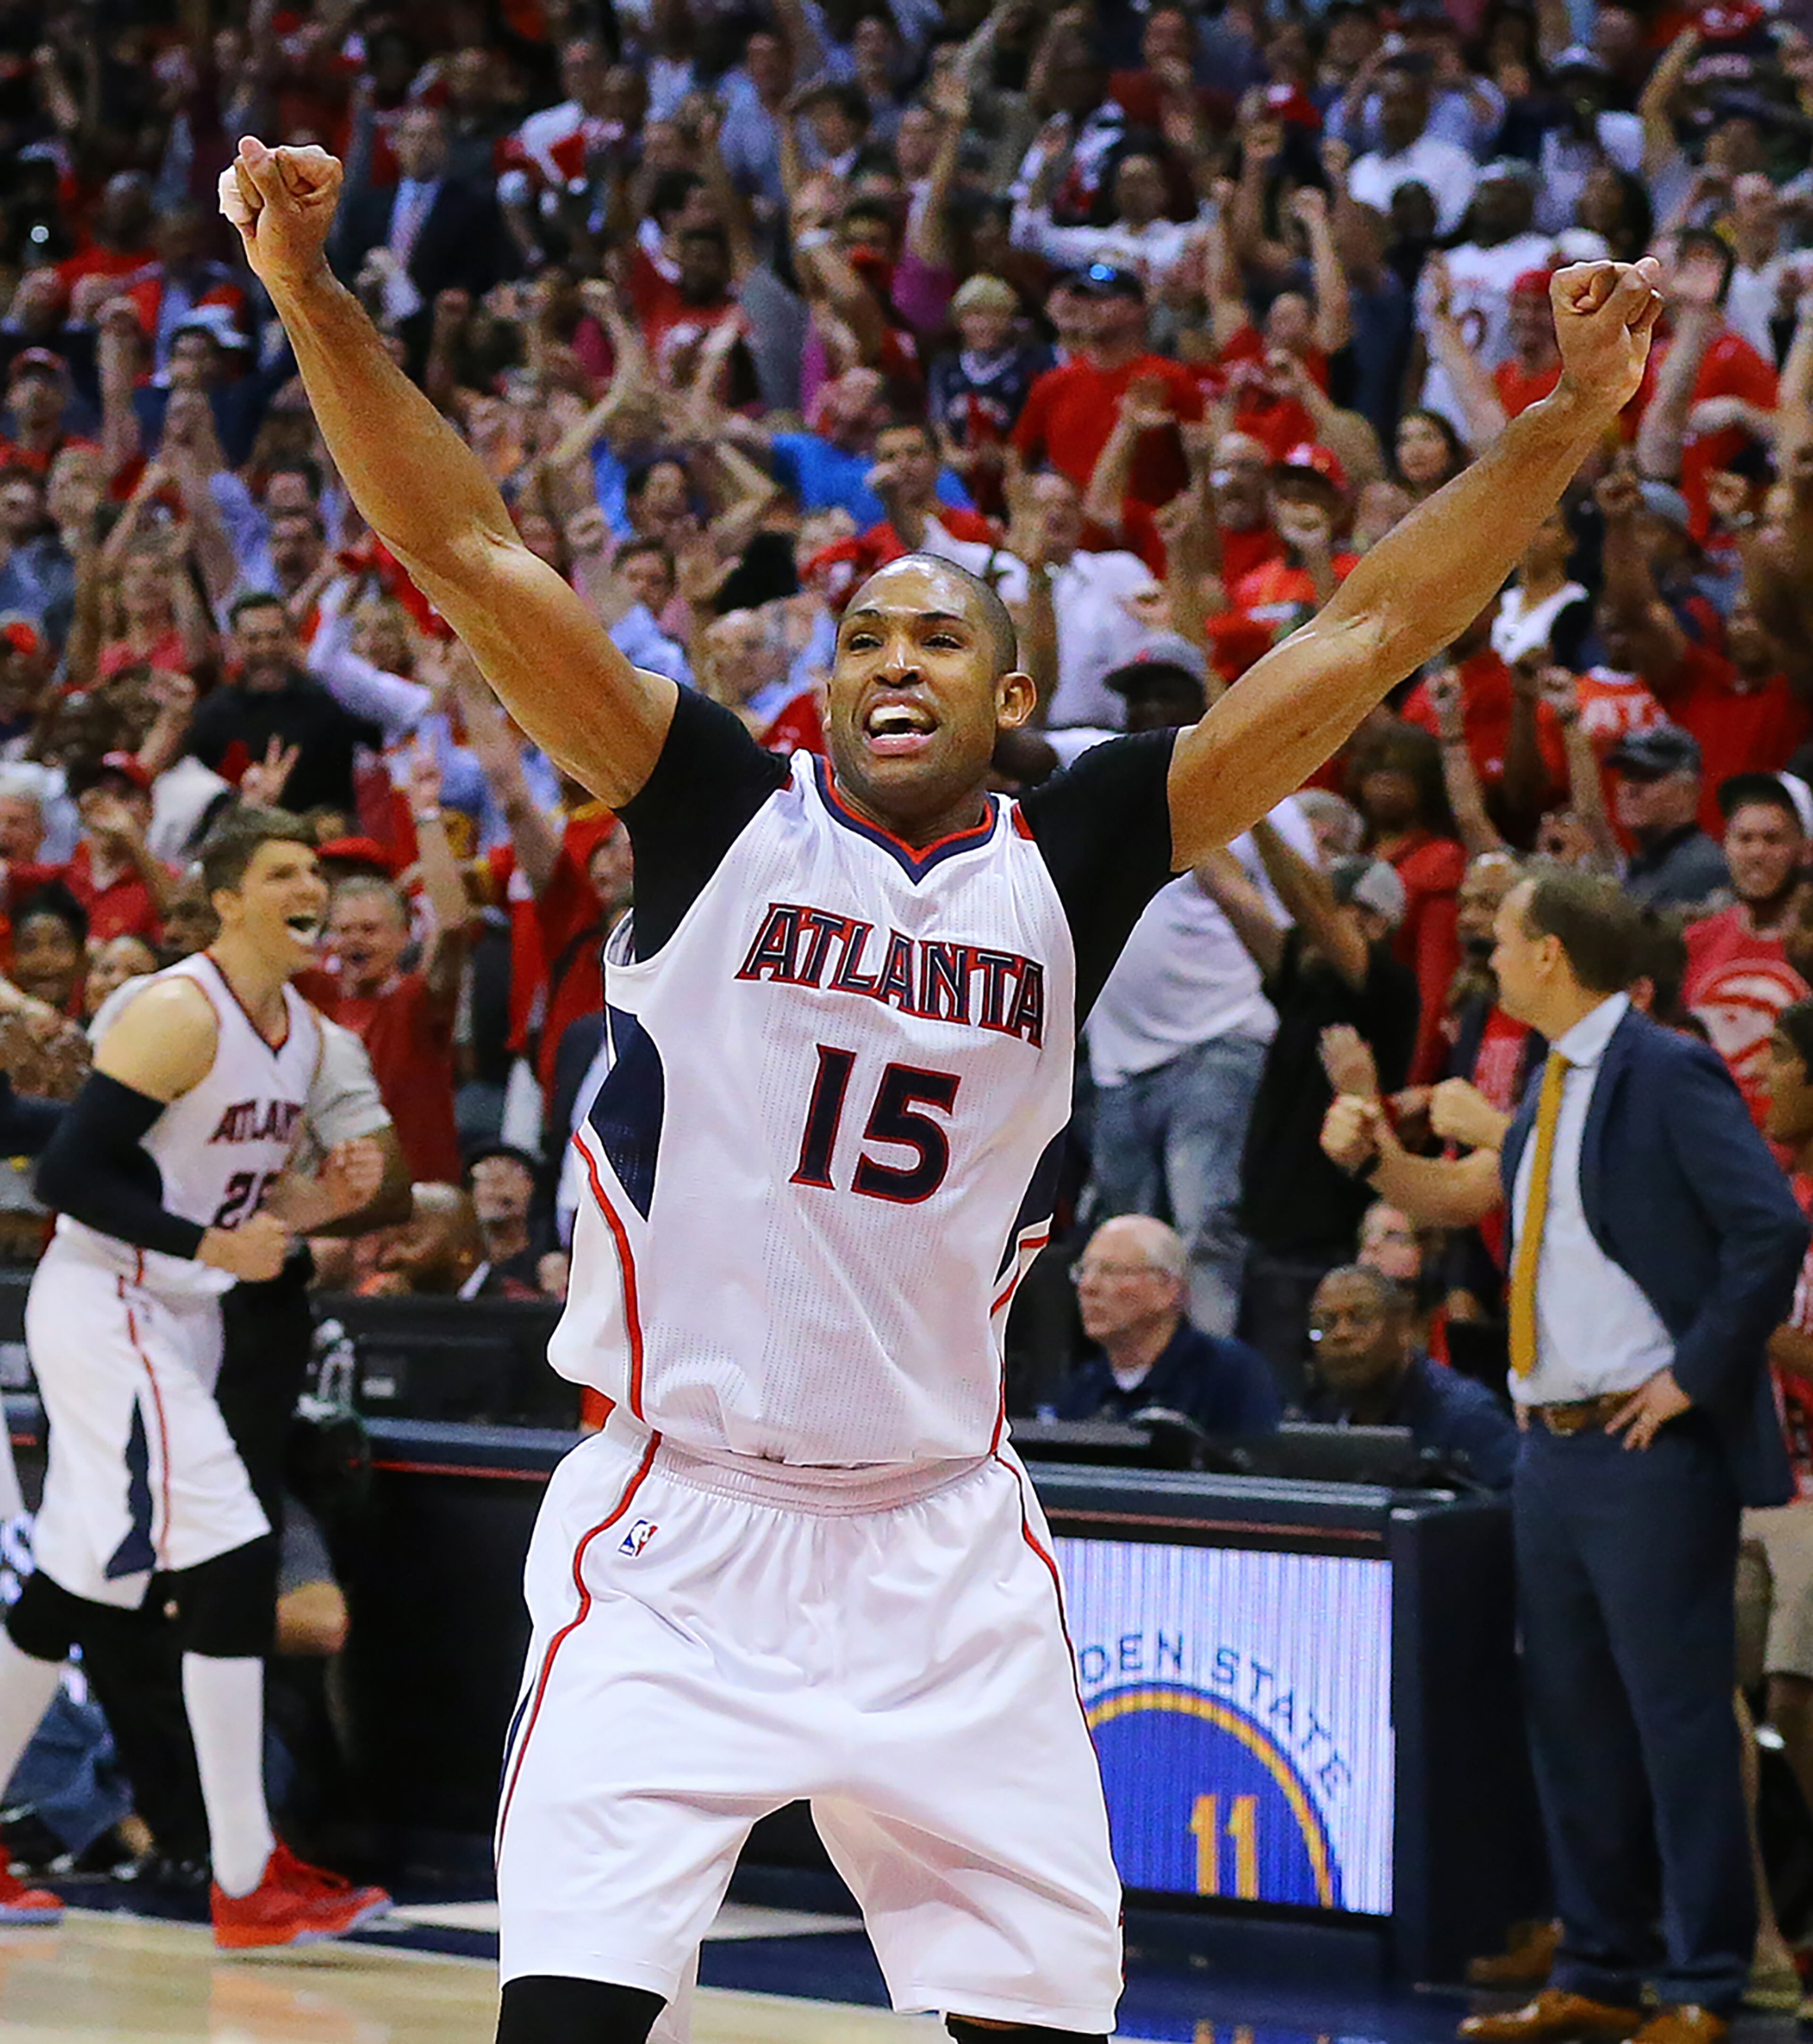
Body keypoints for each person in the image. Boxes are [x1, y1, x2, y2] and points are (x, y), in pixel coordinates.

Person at [223, 131, 1664, 2044]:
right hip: (678, 1525)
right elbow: (468, 550)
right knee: (563, 2021)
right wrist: (313, 297)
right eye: (864, 635)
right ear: (826, 687)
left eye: (940, 637)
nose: (893, 655)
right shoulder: (716, 802)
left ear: (1011, 700)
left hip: (940, 1540)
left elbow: (1366, 633)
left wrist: (1561, 431)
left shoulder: (1075, 845)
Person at [1324, 868, 1806, 2044]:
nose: (1488, 947)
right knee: (1574, 1715)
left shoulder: (1664, 1068)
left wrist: (1692, 1372)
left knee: (1676, 1719)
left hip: (1646, 1450)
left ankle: (1700, 1980)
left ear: (1551, 956)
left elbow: (1770, 1227)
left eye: (1511, 934)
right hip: (1550, 1445)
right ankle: (1601, 1965)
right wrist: (1371, 1155)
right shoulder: (1549, 1079)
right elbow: (1455, 1194)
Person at [0, 807, 392, 1943]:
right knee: (230, 1550)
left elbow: (214, 1190)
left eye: (316, 867)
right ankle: (242, 1872)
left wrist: (312, 1204)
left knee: (82, 1585)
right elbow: (72, 1173)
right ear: (225, 901)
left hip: (179, 1314)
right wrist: (213, 1249)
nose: (308, 884)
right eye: (283, 870)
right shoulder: (181, 1009)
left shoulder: (307, 1039)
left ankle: (239, 1868)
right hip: (109, 1299)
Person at [1058, 1215, 1280, 1437]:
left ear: (1169, 1289)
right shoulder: (1082, 1388)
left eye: (1110, 1271)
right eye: (1083, 1271)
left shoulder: (1232, 1376)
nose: (1088, 1287)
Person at [1302, 1264, 1517, 1489]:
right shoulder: (1318, 1413)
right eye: (1326, 1323)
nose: (1341, 1334)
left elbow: (1509, 1509)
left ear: (1402, 1327)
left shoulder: (1468, 1417)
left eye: (1361, 1319)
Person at [1682, 773, 1812, 1123]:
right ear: (1726, 847)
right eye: (1744, 838)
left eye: (1773, 839)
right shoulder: (1697, 940)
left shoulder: (1808, 945)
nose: (1756, 853)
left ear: (1805, 851)